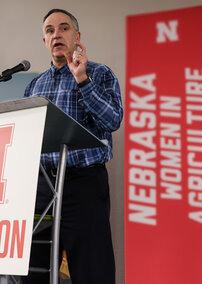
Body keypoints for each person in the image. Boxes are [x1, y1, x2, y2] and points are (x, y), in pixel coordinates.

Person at [21, 8, 123, 284]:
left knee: (92, 269)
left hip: (84, 185)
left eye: (64, 28)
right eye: (50, 31)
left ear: (77, 36)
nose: (57, 34)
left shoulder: (99, 74)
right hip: (42, 186)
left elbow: (113, 120)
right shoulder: (34, 85)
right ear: (44, 41)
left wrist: (82, 79)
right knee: (34, 270)